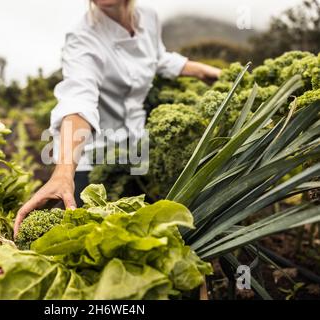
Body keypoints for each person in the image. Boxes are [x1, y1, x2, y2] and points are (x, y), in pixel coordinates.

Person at [13, 0, 221, 236]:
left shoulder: (149, 17)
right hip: (92, 158)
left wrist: (203, 71)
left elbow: (157, 57)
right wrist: (63, 173)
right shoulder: (83, 36)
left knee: (138, 239)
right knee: (91, 243)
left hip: (135, 151)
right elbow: (78, 98)